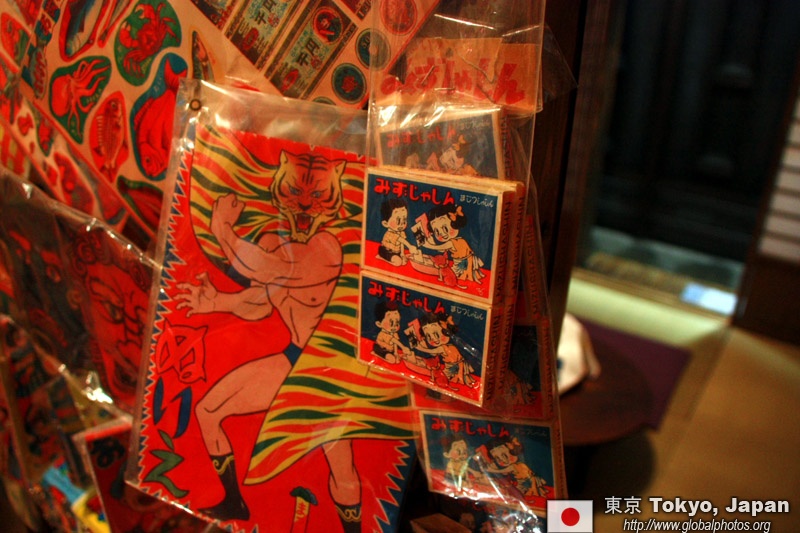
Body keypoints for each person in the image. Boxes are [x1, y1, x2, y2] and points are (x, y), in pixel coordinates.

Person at [175, 151, 362, 531]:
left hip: (327, 371)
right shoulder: (271, 242)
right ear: (277, 190)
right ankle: (234, 501)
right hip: (293, 359)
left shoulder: (327, 247)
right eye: (295, 192)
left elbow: (275, 270)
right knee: (208, 411)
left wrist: (222, 230)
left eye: (318, 195)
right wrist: (217, 303)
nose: (305, 204)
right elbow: (259, 303)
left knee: (342, 467)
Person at [423, 203, 485, 283]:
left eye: (445, 228)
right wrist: (432, 242)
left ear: (455, 223)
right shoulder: (455, 241)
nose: (442, 233)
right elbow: (442, 249)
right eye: (437, 231)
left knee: (459, 277)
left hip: (463, 263)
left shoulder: (452, 242)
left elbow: (439, 247)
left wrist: (427, 244)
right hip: (461, 262)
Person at [414, 312, 476, 388]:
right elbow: (433, 354)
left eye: (437, 334)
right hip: (453, 365)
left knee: (455, 379)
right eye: (428, 336)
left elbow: (432, 351)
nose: (435, 339)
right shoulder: (444, 347)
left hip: (455, 366)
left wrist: (419, 347)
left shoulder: (443, 348)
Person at [377, 198, 416, 266]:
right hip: (386, 251)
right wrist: (410, 246)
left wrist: (402, 254)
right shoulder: (390, 234)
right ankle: (382, 257)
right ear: (385, 223)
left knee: (404, 261)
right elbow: (401, 240)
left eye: (404, 220)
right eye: (398, 221)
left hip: (397, 252)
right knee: (398, 263)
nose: (401, 224)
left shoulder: (401, 232)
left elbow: (401, 244)